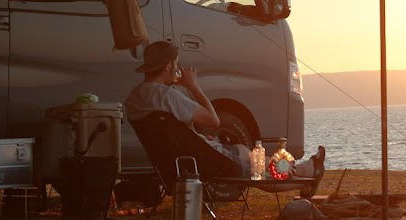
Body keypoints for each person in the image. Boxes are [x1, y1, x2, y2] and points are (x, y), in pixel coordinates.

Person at [124, 41, 324, 185]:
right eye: (176, 64)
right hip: (201, 162)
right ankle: (304, 171)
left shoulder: (135, 99)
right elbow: (213, 121)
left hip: (175, 163)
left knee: (244, 151)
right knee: (250, 162)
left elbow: (172, 131)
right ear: (168, 66)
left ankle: (303, 167)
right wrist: (193, 86)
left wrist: (194, 136)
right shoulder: (166, 96)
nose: (178, 68)